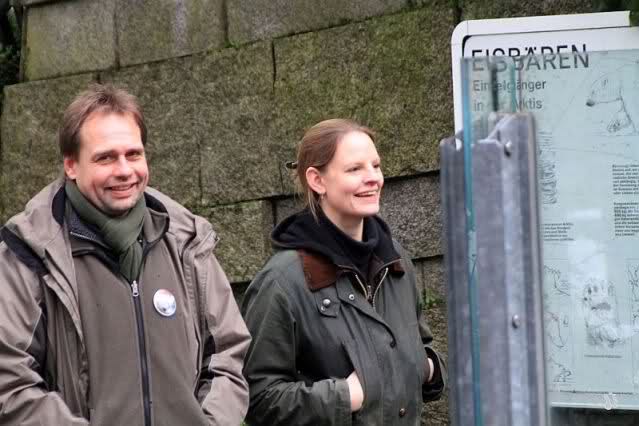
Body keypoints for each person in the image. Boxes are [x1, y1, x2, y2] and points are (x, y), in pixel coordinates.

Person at [0, 84, 250, 425]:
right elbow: (11, 382)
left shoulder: (187, 242)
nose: (124, 170)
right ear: (71, 165)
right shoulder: (30, 253)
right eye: (105, 157)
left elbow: (227, 355)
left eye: (134, 154)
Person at [241, 118, 446, 425]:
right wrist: (343, 396)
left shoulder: (395, 259)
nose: (373, 178)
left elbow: (420, 344)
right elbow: (257, 398)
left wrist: (429, 368)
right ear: (317, 180)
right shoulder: (282, 282)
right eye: (355, 169)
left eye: (376, 166)